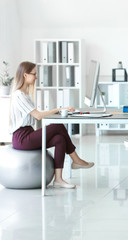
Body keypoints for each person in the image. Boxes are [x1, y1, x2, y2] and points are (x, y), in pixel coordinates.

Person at [9, 61, 94, 189]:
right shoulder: (18, 95)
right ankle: (76, 159)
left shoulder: (25, 95)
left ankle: (58, 179)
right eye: (34, 74)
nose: (36, 77)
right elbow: (38, 116)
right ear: (25, 75)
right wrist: (59, 109)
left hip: (28, 133)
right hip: (22, 138)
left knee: (60, 139)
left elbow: (37, 114)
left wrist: (59, 110)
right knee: (58, 126)